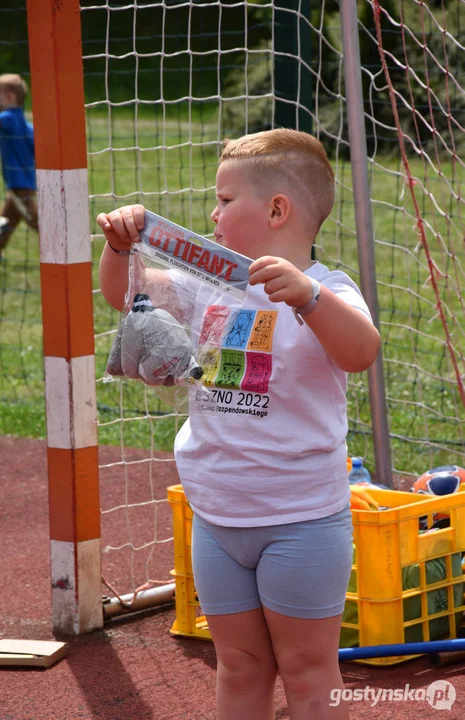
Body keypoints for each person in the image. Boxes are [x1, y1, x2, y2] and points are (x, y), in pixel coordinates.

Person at [98, 129, 381, 719]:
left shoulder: (330, 289)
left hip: (301, 521)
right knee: (240, 665)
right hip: (218, 516)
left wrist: (307, 299)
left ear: (278, 210)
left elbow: (361, 351)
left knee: (307, 672)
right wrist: (120, 248)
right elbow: (124, 296)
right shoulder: (208, 282)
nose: (213, 212)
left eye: (226, 201)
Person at [0, 73, 38, 262]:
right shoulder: (24, 123)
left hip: (19, 181)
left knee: (34, 218)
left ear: (9, 97)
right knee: (7, 219)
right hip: (23, 180)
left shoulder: (9, 117)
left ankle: (63, 243)